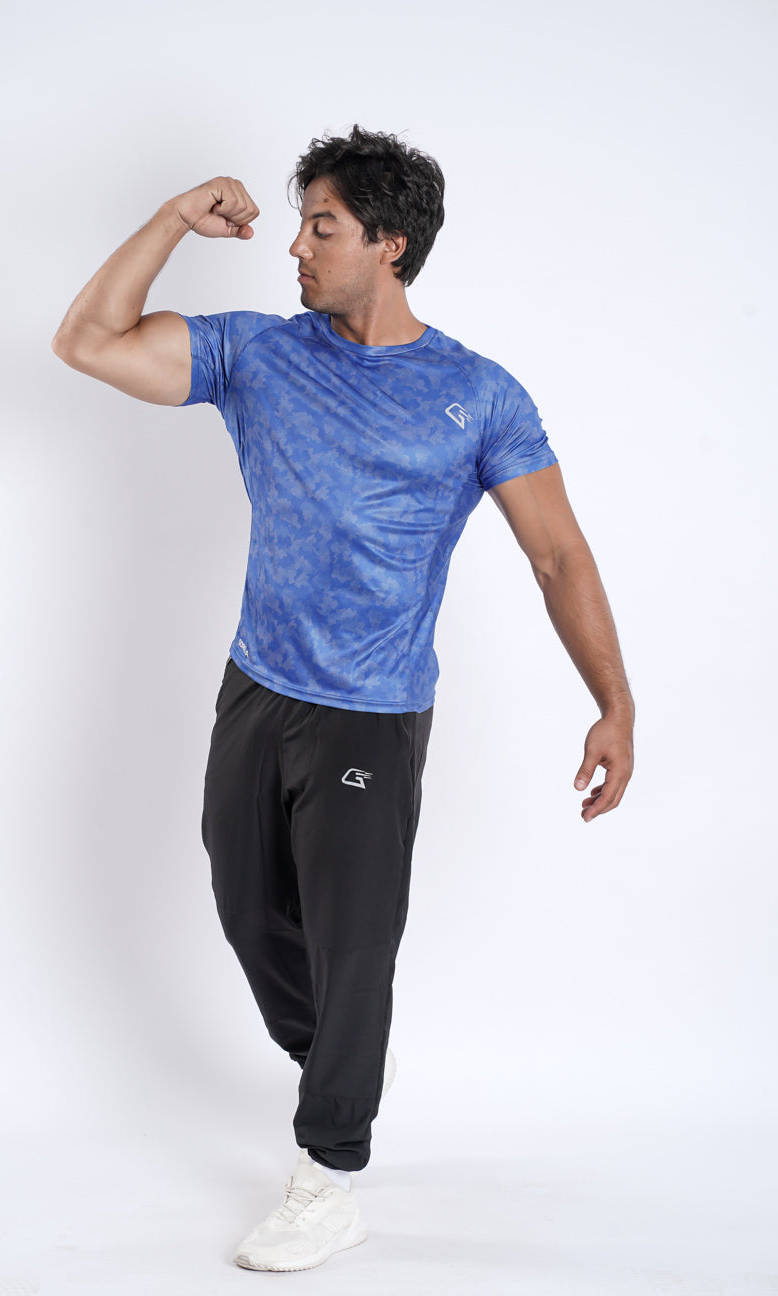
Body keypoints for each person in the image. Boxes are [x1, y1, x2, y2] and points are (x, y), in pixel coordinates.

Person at [52, 125, 634, 1272]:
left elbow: (560, 555)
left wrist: (612, 701)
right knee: (242, 902)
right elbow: (87, 340)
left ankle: (332, 1169)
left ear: (390, 244)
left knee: (353, 945)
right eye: (301, 225)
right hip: (257, 683)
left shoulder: (477, 397)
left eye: (323, 228)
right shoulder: (260, 355)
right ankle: (345, 1056)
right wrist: (171, 219)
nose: (297, 249)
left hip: (373, 708)